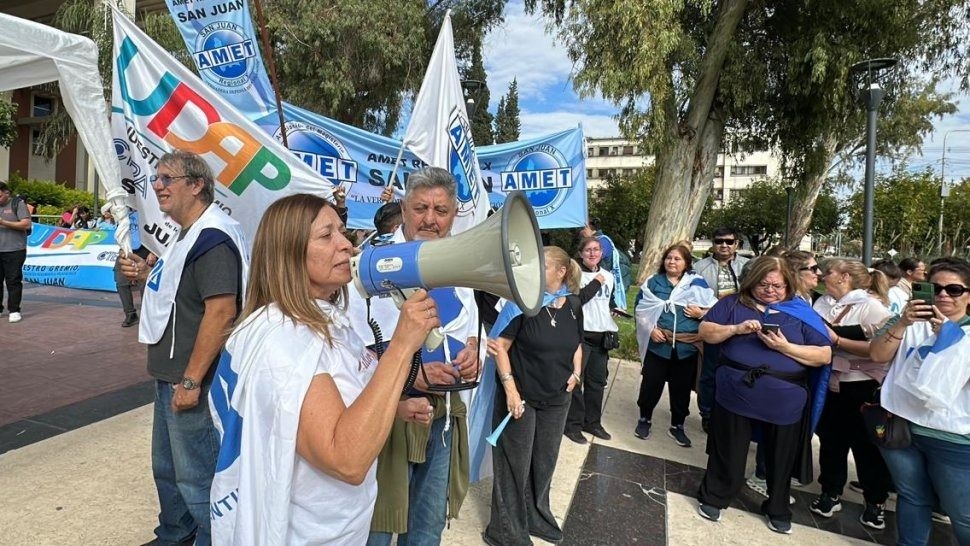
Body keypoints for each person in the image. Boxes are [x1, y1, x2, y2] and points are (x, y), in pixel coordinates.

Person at [208, 194, 440, 544]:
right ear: (289, 252)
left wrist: (396, 407)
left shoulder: (314, 320)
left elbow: (329, 404)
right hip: (306, 533)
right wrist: (403, 346)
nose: (346, 245)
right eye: (326, 236)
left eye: (343, 233)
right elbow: (346, 459)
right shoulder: (286, 342)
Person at [119, 150, 250, 546]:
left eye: (166, 179)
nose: (157, 186)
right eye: (156, 178)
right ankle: (175, 535)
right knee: (169, 470)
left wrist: (191, 381)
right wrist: (146, 273)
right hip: (173, 377)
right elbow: (183, 295)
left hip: (194, 382)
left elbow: (222, 310)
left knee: (197, 479)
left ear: (196, 186)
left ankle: (213, 539)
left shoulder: (211, 240)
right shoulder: (187, 235)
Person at [354, 167, 479, 545]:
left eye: (441, 210)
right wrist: (413, 377)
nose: (430, 219)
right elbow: (352, 346)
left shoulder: (460, 260)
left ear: (454, 213)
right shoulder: (370, 265)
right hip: (386, 417)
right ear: (404, 209)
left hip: (441, 419)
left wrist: (473, 351)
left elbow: (468, 327)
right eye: (421, 207)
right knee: (375, 527)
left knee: (426, 528)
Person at [695, 256, 831, 535]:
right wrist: (735, 328)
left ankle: (778, 507)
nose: (770, 290)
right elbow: (706, 331)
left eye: (777, 286)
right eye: (763, 284)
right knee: (728, 451)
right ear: (752, 281)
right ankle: (715, 496)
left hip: (785, 401)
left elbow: (823, 355)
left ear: (788, 285)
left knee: (780, 458)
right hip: (735, 395)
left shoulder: (800, 312)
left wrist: (785, 347)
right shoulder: (733, 304)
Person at [483, 246, 584, 546]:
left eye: (539, 266)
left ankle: (536, 516)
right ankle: (504, 531)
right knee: (514, 463)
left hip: (556, 399)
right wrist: (511, 391)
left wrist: (576, 373)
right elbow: (499, 347)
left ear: (560, 272)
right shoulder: (523, 303)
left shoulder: (573, 305)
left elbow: (578, 344)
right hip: (521, 399)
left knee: (544, 461)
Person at [869, 259, 970, 546]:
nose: (943, 295)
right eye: (934, 288)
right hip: (900, 425)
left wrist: (949, 340)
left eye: (954, 289)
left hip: (953, 435)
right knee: (912, 497)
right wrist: (902, 322)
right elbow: (877, 355)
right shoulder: (908, 321)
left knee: (962, 513)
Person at [810, 259, 894, 530]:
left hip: (861, 385)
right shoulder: (822, 301)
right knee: (831, 440)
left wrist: (838, 341)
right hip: (829, 382)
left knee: (866, 446)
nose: (823, 275)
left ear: (844, 277)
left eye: (829, 271)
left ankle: (875, 502)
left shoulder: (870, 306)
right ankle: (830, 491)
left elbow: (881, 348)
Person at [745, 250, 821, 500]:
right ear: (795, 274)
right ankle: (763, 475)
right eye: (812, 268)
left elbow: (823, 350)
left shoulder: (803, 303)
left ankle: (775, 478)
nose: (817, 273)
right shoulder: (783, 304)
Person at [633, 244, 716, 447]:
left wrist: (701, 313)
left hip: (685, 347)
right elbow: (640, 309)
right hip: (658, 345)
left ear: (686, 263)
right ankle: (645, 419)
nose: (672, 262)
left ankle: (677, 425)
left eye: (677, 259)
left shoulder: (697, 284)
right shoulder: (654, 282)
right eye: (669, 258)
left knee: (681, 389)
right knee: (651, 384)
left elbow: (714, 308)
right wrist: (651, 329)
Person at [693, 227, 750, 433]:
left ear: (737, 244)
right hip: (713, 326)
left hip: (743, 329)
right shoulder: (699, 267)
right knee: (709, 373)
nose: (724, 245)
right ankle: (707, 413)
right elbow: (692, 297)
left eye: (729, 241)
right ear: (713, 243)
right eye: (719, 241)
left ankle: (734, 414)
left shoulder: (748, 266)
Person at [563, 236, 615, 444]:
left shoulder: (608, 276)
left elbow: (607, 301)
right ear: (581, 253)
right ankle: (572, 424)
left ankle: (592, 421)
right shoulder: (575, 274)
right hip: (581, 334)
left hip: (601, 334)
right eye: (588, 250)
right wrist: (595, 283)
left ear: (602, 253)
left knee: (597, 381)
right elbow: (577, 300)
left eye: (596, 249)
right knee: (576, 380)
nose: (593, 253)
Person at [0, 182, 31, 323]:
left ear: (6, 192)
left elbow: (26, 224)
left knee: (13, 280)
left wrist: (3, 222)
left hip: (14, 249)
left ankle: (14, 310)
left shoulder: (18, 204)